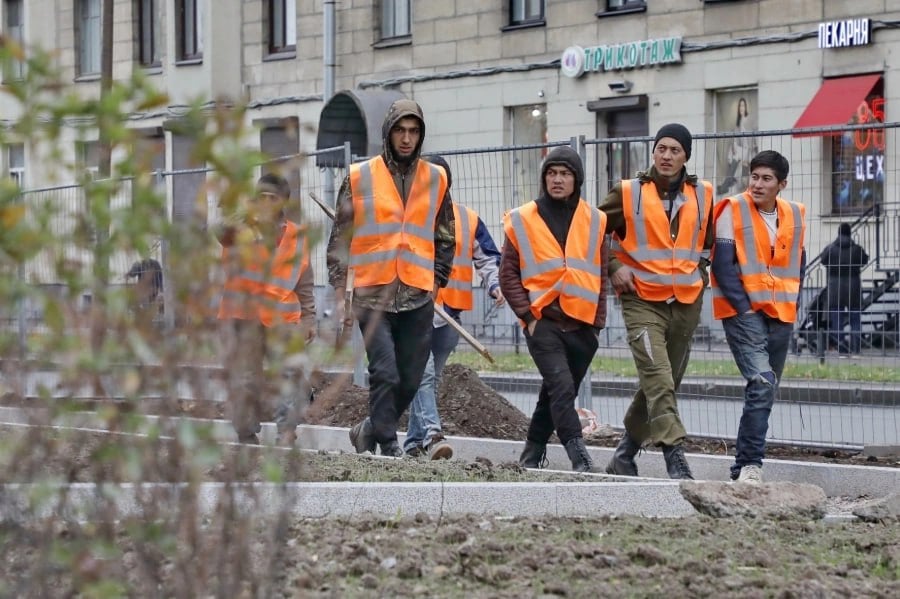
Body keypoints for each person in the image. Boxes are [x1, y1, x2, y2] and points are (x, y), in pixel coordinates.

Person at [326, 99, 455, 457]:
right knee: (385, 371)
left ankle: (368, 429)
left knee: (412, 378)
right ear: (388, 132)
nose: (406, 138)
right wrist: (341, 290)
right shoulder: (358, 176)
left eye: (414, 132)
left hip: (417, 293)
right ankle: (388, 443)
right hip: (371, 293)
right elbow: (340, 239)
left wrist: (437, 281)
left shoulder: (436, 178)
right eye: (400, 130)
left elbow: (445, 234)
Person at [599, 123, 713, 480]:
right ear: (653, 152)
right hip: (640, 298)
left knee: (665, 381)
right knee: (658, 378)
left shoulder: (704, 194)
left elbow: (708, 240)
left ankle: (624, 454)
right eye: (661, 148)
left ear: (686, 157)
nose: (666, 155)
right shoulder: (628, 192)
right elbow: (592, 229)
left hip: (686, 302)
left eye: (674, 150)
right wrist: (613, 266)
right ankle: (674, 455)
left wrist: (702, 270)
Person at [499, 146, 608, 473]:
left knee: (553, 394)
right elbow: (508, 273)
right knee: (562, 389)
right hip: (542, 321)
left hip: (582, 325)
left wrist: (597, 325)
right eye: (551, 173)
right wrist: (528, 316)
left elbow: (601, 273)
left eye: (565, 173)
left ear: (577, 180)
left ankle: (531, 455)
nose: (557, 179)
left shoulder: (596, 220)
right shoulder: (522, 218)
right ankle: (579, 456)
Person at [711, 150, 807, 483]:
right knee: (762, 382)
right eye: (754, 176)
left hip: (781, 312)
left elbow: (798, 262)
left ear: (782, 184)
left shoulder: (794, 215)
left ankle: (742, 466)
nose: (757, 183)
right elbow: (722, 266)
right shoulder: (732, 210)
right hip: (743, 311)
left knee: (766, 388)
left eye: (766, 179)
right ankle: (751, 464)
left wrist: (790, 303)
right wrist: (744, 307)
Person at [404, 155, 504, 460]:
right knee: (424, 376)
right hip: (417, 311)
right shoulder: (407, 219)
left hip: (450, 317)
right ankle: (434, 435)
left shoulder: (467, 219)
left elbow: (487, 257)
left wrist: (495, 284)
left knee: (427, 381)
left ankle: (409, 445)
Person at [216, 173, 316, 446]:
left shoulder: (297, 235)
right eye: (262, 198)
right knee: (246, 378)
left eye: (273, 198)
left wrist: (309, 317)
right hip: (242, 315)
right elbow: (219, 231)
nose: (267, 204)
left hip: (282, 316)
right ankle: (246, 432)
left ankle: (287, 432)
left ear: (284, 201)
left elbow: (304, 280)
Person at [820, 222, 869, 355]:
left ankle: (841, 349)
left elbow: (823, 260)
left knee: (837, 320)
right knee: (855, 319)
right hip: (853, 288)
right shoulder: (857, 249)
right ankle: (856, 350)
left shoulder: (830, 249)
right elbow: (865, 260)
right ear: (850, 233)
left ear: (839, 233)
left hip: (835, 289)